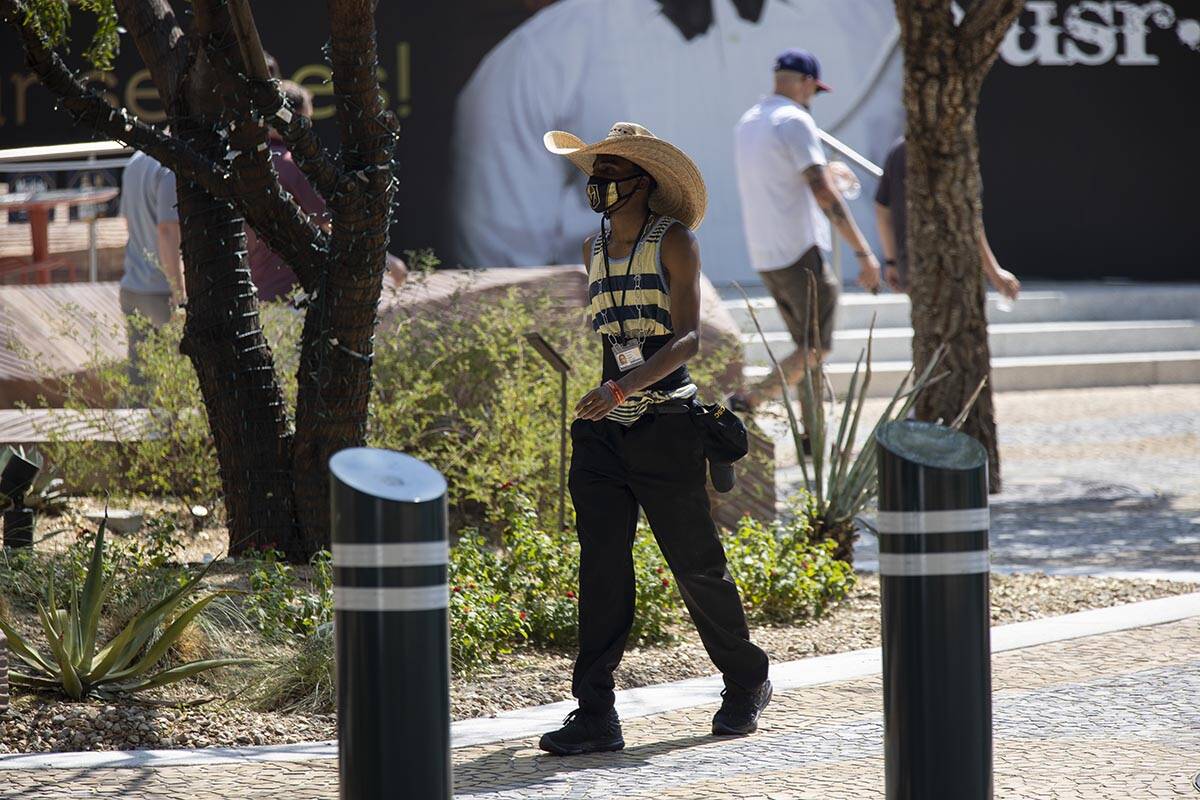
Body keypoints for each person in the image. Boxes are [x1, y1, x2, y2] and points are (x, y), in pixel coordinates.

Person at [537, 122, 771, 757]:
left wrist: (622, 389)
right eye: (594, 172)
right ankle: (595, 713)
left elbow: (689, 338)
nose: (597, 184)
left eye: (610, 174)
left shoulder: (676, 241)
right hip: (604, 437)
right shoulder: (593, 246)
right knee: (601, 570)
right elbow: (612, 340)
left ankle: (747, 678)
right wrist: (607, 399)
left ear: (643, 182)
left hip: (666, 424)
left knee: (695, 564)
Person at [447, 0, 902, 283]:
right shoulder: (537, 56)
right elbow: (504, 266)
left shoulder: (892, 26)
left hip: (859, 323)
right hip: (640, 339)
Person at [731, 50, 882, 409]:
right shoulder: (794, 120)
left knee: (806, 352)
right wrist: (864, 252)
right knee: (817, 347)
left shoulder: (749, 121)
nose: (813, 99)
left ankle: (811, 440)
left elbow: (783, 178)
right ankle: (750, 400)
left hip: (765, 254)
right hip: (798, 250)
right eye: (815, 91)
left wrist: (827, 171)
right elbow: (821, 191)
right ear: (806, 83)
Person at [245, 81, 408, 301]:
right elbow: (334, 224)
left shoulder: (247, 163)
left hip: (255, 296)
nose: (307, 130)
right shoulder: (291, 166)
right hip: (292, 295)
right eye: (305, 122)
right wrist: (386, 260)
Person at [874, 138, 1021, 300]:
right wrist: (994, 272)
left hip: (912, 265)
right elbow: (968, 220)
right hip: (953, 268)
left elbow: (882, 208)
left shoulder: (900, 148)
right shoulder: (952, 149)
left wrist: (891, 261)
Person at [118, 150, 182, 380]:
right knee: (174, 382)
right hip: (162, 293)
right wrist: (180, 296)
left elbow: (127, 221)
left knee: (140, 382)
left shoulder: (136, 159)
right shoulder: (170, 168)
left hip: (133, 285)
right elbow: (167, 230)